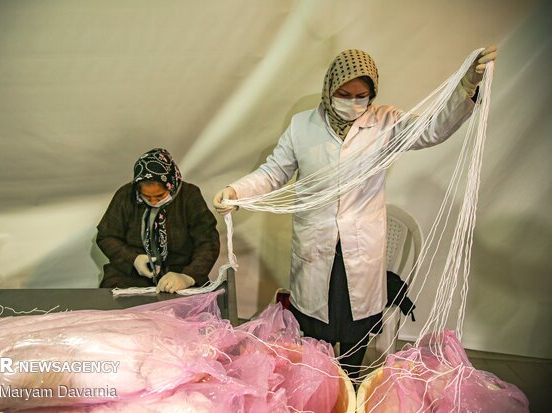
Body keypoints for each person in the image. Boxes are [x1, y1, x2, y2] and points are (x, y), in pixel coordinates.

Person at [213, 46, 497, 377]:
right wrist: (237, 191)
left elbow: (433, 128)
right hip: (316, 248)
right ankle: (319, 390)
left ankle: (352, 388)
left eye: (361, 95)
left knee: (354, 337)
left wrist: (465, 88)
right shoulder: (302, 126)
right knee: (313, 339)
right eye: (343, 93)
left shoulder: (387, 122)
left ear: (373, 93)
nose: (352, 102)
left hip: (359, 254)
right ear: (329, 88)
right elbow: (274, 172)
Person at [98, 148, 220, 293]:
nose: (154, 202)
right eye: (147, 197)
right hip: (131, 275)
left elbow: (208, 241)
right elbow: (106, 236)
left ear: (171, 184)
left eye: (160, 196)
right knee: (119, 307)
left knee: (187, 310)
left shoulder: (189, 196)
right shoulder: (126, 195)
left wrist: (188, 276)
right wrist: (133, 259)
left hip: (178, 273)